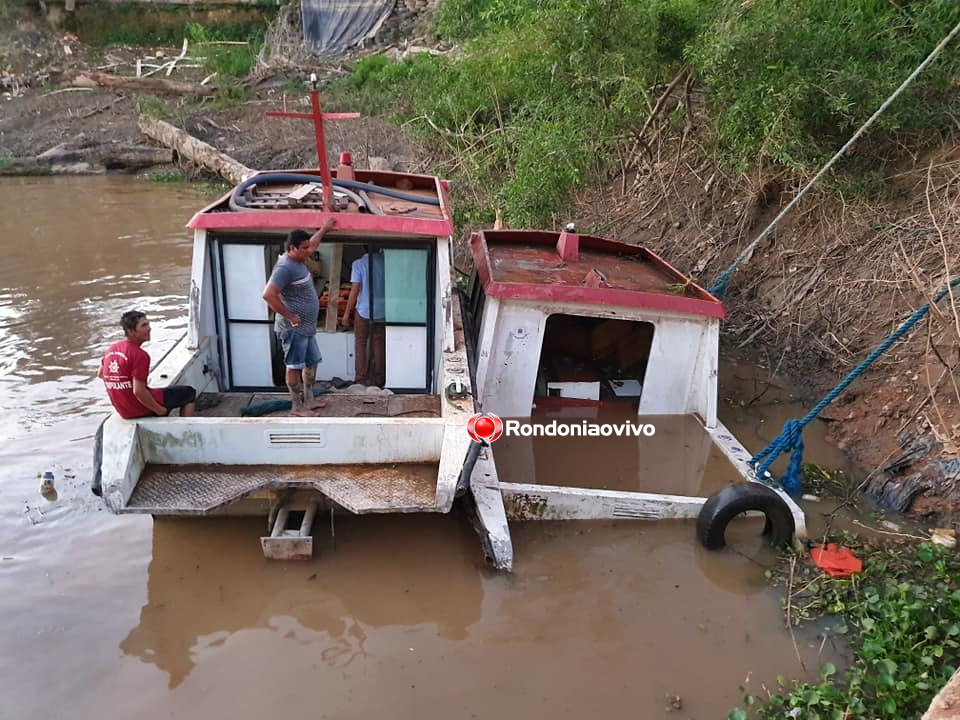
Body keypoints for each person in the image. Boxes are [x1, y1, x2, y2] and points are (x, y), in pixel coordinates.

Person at [262, 219, 335, 415]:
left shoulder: (299, 259)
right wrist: (290, 315)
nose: (308, 251)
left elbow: (313, 244)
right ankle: (296, 406)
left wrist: (325, 229)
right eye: (304, 248)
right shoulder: (284, 268)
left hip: (307, 327)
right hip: (293, 329)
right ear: (292, 248)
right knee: (294, 366)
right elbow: (268, 295)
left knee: (312, 362)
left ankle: (309, 400)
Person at [98, 311, 197, 419]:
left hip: (123, 411)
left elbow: (100, 374)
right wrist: (159, 410)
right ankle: (186, 430)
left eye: (148, 324)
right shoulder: (139, 355)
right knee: (189, 393)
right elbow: (138, 391)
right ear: (131, 332)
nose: (149, 328)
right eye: (144, 325)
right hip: (140, 409)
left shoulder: (110, 350)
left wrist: (122, 389)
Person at [341, 249, 386, 387]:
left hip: (363, 310)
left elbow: (355, 290)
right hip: (382, 310)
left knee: (360, 343)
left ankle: (360, 379)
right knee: (379, 343)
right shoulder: (385, 262)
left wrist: (346, 314)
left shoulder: (358, 264)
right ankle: (380, 379)